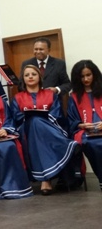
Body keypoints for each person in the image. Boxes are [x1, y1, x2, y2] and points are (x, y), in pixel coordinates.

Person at [11, 65, 79, 195]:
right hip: (25, 131)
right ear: (23, 79)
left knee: (38, 124)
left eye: (33, 74)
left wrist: (41, 119)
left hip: (49, 129)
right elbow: (16, 117)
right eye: (27, 75)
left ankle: (45, 180)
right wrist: (31, 117)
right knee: (34, 121)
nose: (30, 77)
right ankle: (67, 145)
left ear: (39, 77)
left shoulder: (50, 94)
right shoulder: (18, 97)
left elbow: (57, 115)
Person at [68, 60, 102, 191]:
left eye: (88, 75)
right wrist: (82, 125)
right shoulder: (74, 97)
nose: (86, 79)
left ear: (95, 74)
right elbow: (71, 120)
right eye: (82, 76)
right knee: (93, 145)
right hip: (86, 133)